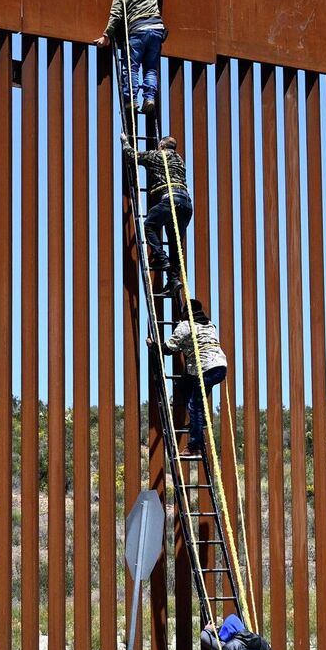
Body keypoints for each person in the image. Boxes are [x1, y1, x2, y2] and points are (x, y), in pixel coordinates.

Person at [94, 0, 171, 114]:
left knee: (132, 67)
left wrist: (106, 36)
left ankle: (132, 101)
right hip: (157, 29)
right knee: (150, 67)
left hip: (138, 31)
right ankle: (149, 98)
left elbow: (115, 16)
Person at [124, 134, 191, 293]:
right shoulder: (180, 160)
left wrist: (125, 142)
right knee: (176, 244)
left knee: (148, 226)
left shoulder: (156, 155)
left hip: (170, 200)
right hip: (186, 204)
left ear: (161, 145)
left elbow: (131, 156)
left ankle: (161, 258)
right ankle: (174, 280)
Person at [163, 299, 226, 453]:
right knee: (185, 386)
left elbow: (168, 348)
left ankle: (194, 445)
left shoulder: (185, 326)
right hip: (219, 367)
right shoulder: (210, 325)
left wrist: (154, 345)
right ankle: (199, 422)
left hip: (205, 368)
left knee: (195, 406)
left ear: (186, 312)